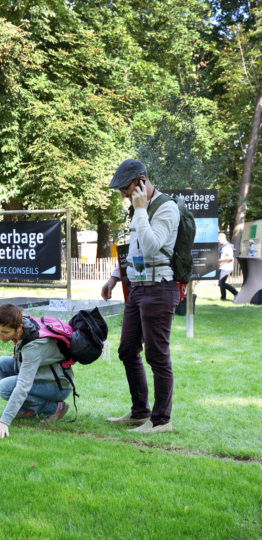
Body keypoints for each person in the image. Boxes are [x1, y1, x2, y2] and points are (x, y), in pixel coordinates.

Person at [101, 158, 180, 434]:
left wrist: (141, 211)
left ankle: (161, 421)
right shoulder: (139, 210)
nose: (123, 194)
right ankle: (139, 413)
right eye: (121, 190)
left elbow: (150, 247)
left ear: (142, 179)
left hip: (159, 288)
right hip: (137, 289)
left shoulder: (166, 208)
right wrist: (114, 277)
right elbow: (134, 250)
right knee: (126, 350)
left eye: (126, 187)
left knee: (157, 356)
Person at [0, 303, 73, 439]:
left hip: (58, 386)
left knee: (4, 388)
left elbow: (22, 387)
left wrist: (4, 421)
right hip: (46, 374)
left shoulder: (33, 347)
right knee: (1, 365)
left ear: (18, 328)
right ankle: (28, 409)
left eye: (5, 332)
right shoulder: (22, 322)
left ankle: (54, 408)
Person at [218, 232, 238, 301]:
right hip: (223, 267)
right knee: (221, 283)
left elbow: (230, 257)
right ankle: (223, 298)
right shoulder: (223, 247)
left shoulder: (228, 247)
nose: (218, 241)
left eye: (219, 240)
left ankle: (236, 293)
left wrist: (219, 260)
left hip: (226, 267)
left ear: (222, 238)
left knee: (221, 283)